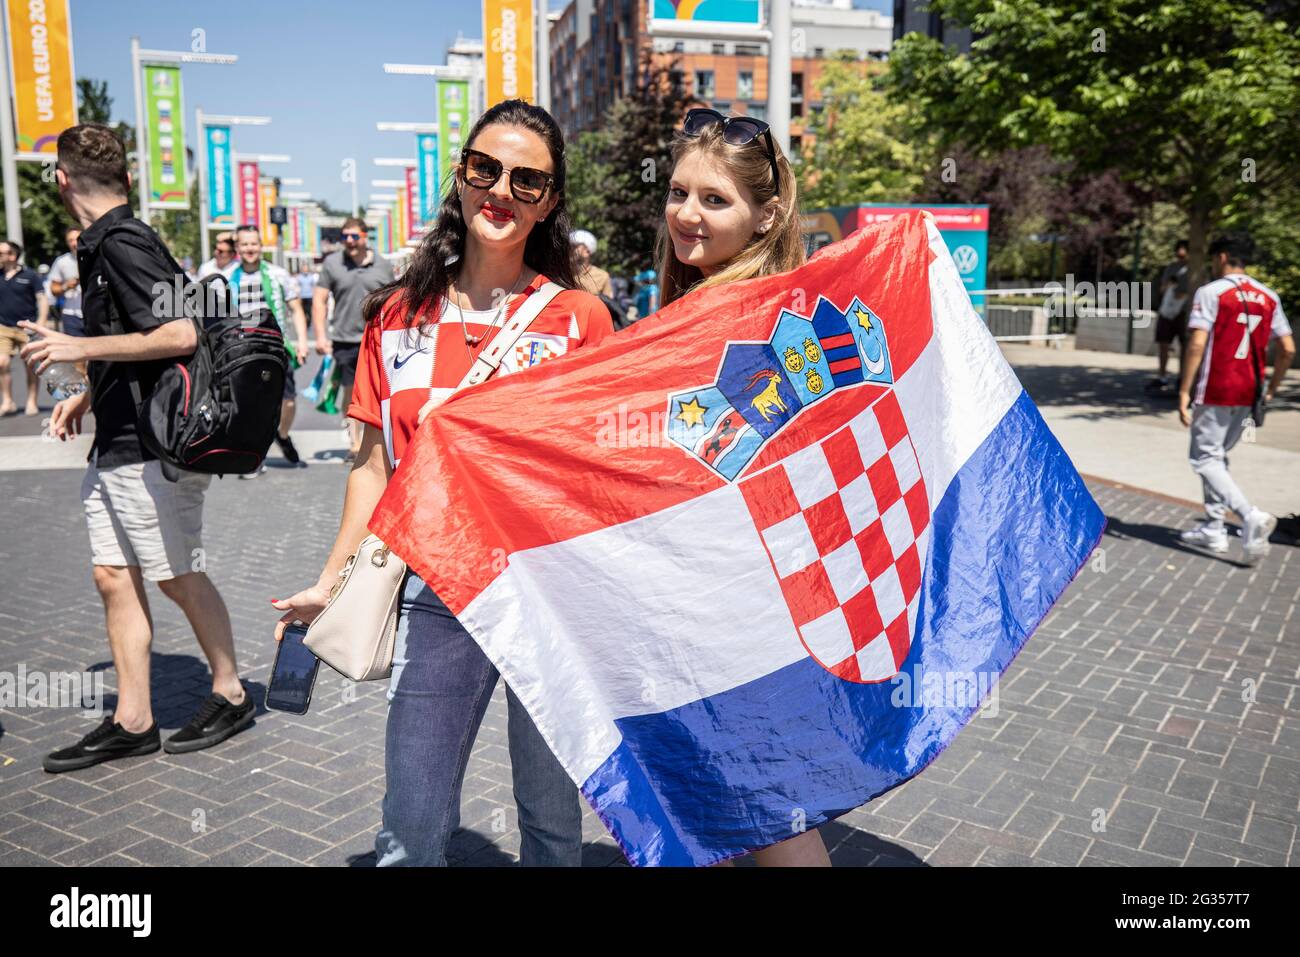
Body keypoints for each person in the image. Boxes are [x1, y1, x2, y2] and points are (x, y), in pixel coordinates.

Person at [273, 99, 613, 866]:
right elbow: (370, 471)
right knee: (412, 824)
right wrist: (331, 578)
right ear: (460, 175)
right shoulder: (396, 316)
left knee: (555, 824)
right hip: (437, 593)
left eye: (529, 181)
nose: (502, 191)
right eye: (486, 169)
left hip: (553, 594)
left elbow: (602, 469)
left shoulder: (581, 320)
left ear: (551, 201)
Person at [19, 123, 254, 771]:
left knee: (175, 573)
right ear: (123, 176)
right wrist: (88, 393)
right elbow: (140, 333)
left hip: (155, 447)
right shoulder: (105, 244)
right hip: (117, 438)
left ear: (61, 181)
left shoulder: (125, 242)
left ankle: (231, 690)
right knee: (111, 575)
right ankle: (133, 718)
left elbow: (180, 331)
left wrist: (80, 349)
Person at [656, 107, 832, 866]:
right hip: (705, 593)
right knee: (730, 803)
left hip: (744, 597)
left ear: (767, 215)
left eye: (714, 199)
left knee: (768, 806)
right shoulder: (693, 306)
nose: (687, 214)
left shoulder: (754, 315)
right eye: (679, 192)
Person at [1177, 233, 1295, 562]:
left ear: (1223, 257)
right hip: (1249, 391)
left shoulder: (1211, 292)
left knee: (1204, 459)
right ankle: (1214, 529)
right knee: (1218, 458)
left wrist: (1184, 390)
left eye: (1215, 259)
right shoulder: (1269, 296)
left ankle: (1250, 516)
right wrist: (1271, 389)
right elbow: (1287, 349)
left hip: (1216, 387)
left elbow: (1197, 344)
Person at [224, 224, 309, 474]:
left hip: (276, 347)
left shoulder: (277, 274)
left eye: (254, 244)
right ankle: (255, 454)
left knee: (288, 402)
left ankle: (281, 435)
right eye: (245, 244)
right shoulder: (227, 277)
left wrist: (302, 341)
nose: (250, 249)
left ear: (261, 246)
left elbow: (295, 310)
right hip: (242, 349)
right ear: (237, 248)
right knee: (249, 404)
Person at [312, 217, 393, 460]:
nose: (348, 240)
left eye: (354, 236)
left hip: (379, 339)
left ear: (365, 236)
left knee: (380, 393)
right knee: (351, 392)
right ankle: (355, 443)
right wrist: (320, 336)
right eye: (344, 236)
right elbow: (319, 300)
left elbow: (394, 301)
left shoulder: (383, 265)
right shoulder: (332, 264)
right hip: (345, 339)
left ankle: (380, 440)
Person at [0, 239, 49, 415]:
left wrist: (41, 324)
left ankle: (31, 401)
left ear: (12, 255)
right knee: (1, 363)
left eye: (1, 253)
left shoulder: (30, 276)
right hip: (3, 327)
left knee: (30, 366)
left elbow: (42, 299)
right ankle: (7, 401)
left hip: (27, 328)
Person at [1148, 239, 1191, 393]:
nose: (1180, 254)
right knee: (1163, 344)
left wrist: (1183, 293)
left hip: (1185, 313)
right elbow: (1163, 288)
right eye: (1178, 251)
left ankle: (1183, 377)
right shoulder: (1171, 268)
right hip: (1167, 311)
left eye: (1184, 250)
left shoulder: (1195, 270)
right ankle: (1162, 376)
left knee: (1186, 347)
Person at [47, 226, 84, 337]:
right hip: (71, 313)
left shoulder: (95, 257)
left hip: (94, 311)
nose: (74, 244)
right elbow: (54, 289)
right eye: (70, 240)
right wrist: (66, 286)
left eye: (77, 239)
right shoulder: (62, 261)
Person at [570, 229, 612, 297]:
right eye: (568, 246)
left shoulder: (602, 276)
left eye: (574, 246)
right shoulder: (560, 271)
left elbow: (607, 304)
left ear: (587, 252)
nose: (569, 249)